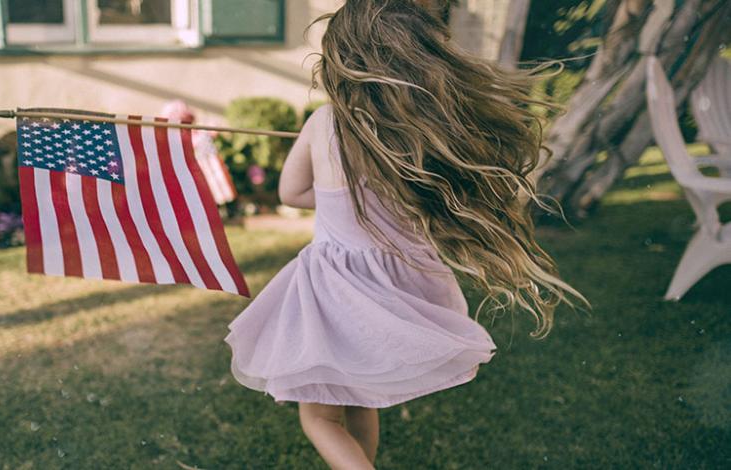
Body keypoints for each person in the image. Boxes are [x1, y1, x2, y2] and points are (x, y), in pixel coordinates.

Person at [223, 1, 590, 468]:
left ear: (341, 61)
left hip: (337, 289)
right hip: (401, 285)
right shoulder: (416, 133)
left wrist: (333, 195)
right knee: (361, 400)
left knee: (320, 417)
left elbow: (291, 193)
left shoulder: (324, 122)